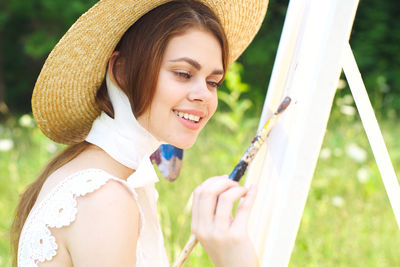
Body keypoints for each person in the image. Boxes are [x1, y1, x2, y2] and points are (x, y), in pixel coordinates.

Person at [11, 0, 268, 266]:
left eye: (213, 82)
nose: (204, 95)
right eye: (183, 74)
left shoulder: (94, 177)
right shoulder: (104, 198)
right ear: (121, 71)